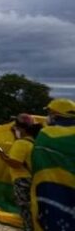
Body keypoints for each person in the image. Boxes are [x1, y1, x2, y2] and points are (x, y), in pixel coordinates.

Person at [29, 98, 75, 230]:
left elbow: (37, 159)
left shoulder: (47, 134)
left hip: (52, 188)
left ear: (56, 114)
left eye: (49, 113)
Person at [0, 114, 41, 231]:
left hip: (22, 180)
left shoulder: (21, 143)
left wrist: (2, 156)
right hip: (33, 179)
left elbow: (16, 163)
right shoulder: (33, 142)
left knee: (26, 211)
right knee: (33, 210)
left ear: (21, 129)